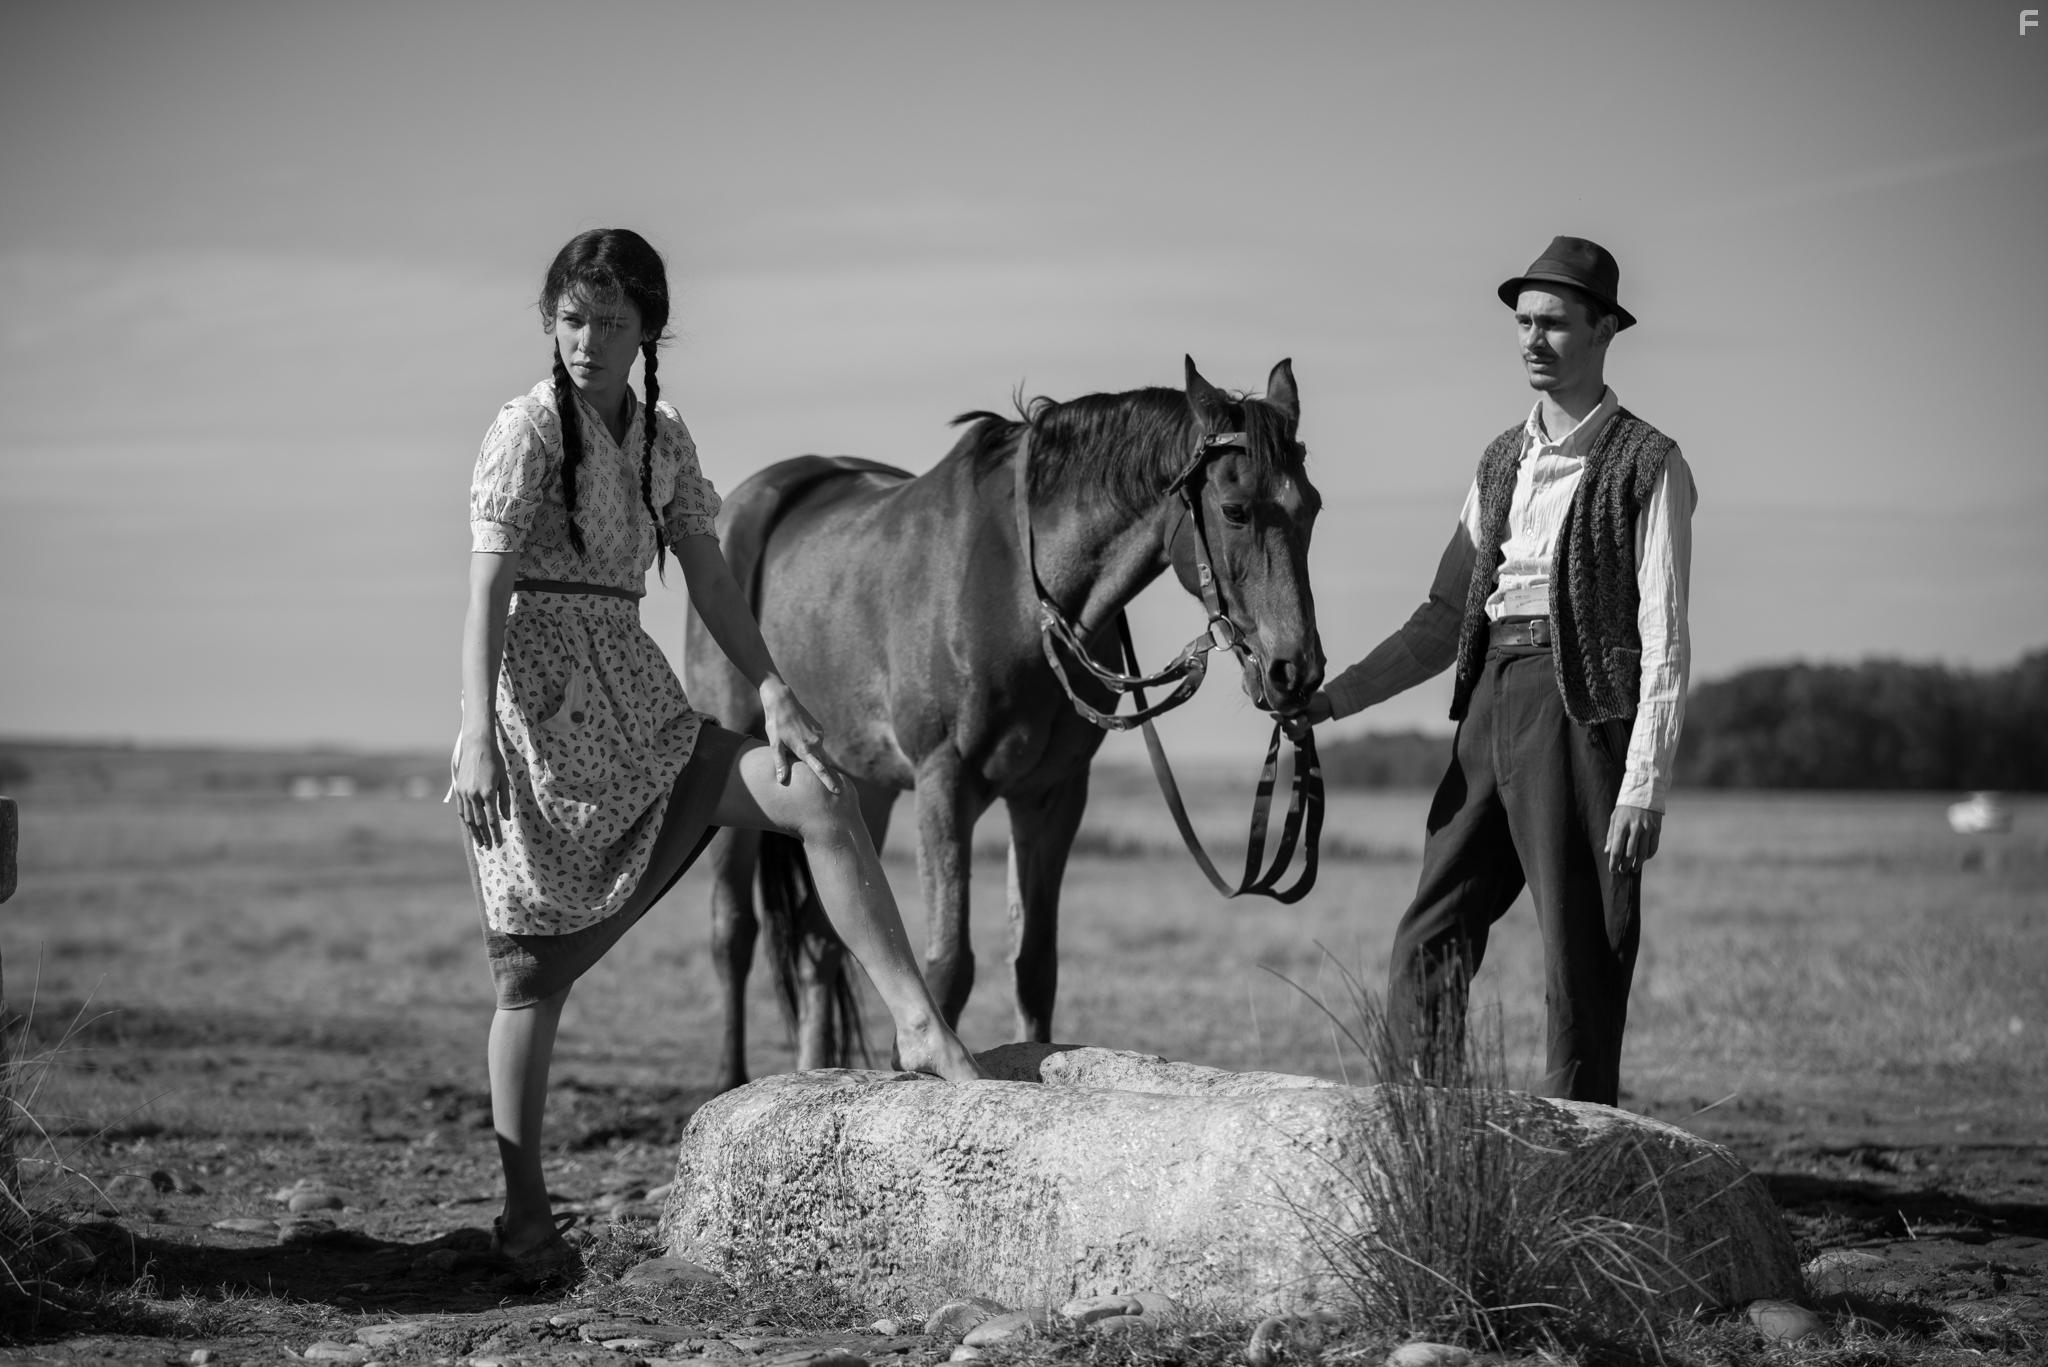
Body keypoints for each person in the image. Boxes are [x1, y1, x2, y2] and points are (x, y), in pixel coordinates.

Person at [447, 228, 984, 1280]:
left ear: (649, 328)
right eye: (570, 317)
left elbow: (709, 578)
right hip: (540, 717)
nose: (587, 339)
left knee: (816, 795)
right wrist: (474, 731)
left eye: (609, 320)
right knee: (530, 975)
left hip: (637, 700)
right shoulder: (521, 433)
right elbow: (485, 591)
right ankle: (521, 1212)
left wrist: (777, 692)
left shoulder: (662, 437)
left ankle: (916, 1024)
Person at [1295, 236, 1697, 1107]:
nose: (1533, 340)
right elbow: (1443, 619)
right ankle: (1423, 1135)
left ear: (1604, 331)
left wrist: (1644, 785)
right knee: (1428, 936)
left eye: (1553, 323)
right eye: (1522, 323)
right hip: (1489, 702)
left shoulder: (1649, 463)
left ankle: (1580, 1153)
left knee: (1580, 953)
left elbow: (1665, 635)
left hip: (1580, 714)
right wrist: (1331, 701)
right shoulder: (1497, 461)